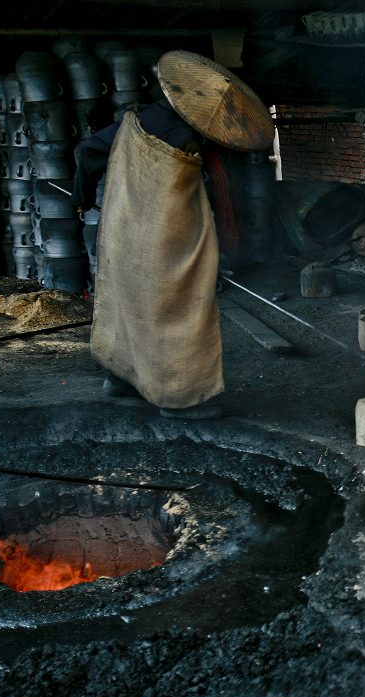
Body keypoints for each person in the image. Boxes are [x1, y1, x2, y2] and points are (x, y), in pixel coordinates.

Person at [72, 50, 274, 420]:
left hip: (124, 232)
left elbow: (88, 150)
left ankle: (120, 378)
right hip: (167, 241)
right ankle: (177, 399)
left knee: (127, 303)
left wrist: (82, 199)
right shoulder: (187, 137)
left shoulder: (138, 119)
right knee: (177, 312)